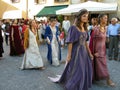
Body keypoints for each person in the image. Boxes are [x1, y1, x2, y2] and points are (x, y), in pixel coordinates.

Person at [49, 9, 93, 90]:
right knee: (77, 70)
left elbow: (86, 42)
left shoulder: (85, 27)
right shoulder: (73, 27)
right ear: (79, 16)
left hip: (84, 53)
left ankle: (81, 84)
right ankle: (73, 85)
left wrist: (89, 53)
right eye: (84, 16)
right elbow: (70, 42)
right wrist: (69, 55)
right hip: (76, 52)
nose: (85, 18)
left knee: (83, 69)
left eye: (87, 16)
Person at [90, 14, 115, 86]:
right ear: (100, 19)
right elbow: (92, 41)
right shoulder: (96, 29)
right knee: (103, 65)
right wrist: (93, 52)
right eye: (105, 18)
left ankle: (94, 77)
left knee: (98, 65)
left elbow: (104, 40)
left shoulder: (105, 28)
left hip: (103, 50)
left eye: (107, 18)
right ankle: (108, 79)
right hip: (97, 51)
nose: (106, 19)